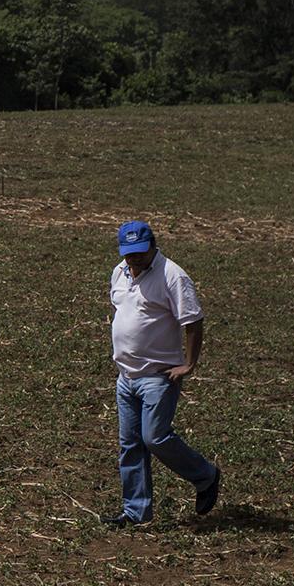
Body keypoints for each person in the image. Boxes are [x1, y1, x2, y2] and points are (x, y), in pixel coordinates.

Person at [102, 219, 221, 527]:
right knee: (130, 444)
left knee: (155, 437)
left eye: (140, 252)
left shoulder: (172, 275)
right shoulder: (119, 272)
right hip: (126, 375)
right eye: (129, 253)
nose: (135, 259)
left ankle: (205, 475)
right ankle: (136, 512)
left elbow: (193, 321)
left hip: (159, 375)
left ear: (153, 245)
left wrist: (189, 364)